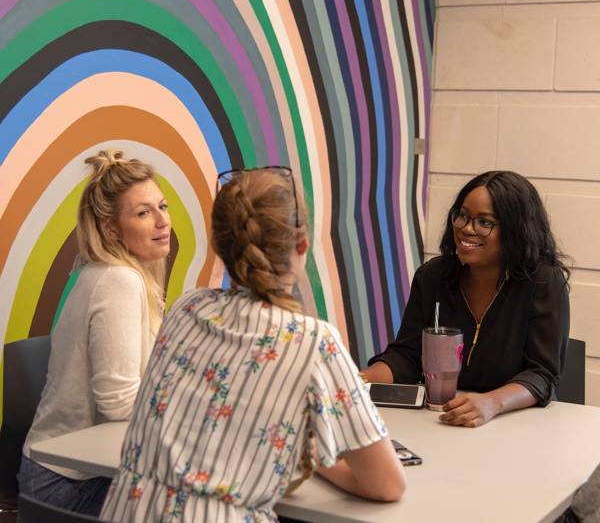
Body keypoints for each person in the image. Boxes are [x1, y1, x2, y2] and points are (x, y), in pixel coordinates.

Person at [100, 166, 406, 523]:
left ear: (218, 244)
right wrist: (310, 458)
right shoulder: (314, 343)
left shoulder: (185, 309)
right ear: (302, 245)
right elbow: (388, 484)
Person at [18, 149, 171, 515]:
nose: (162, 222)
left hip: (75, 470)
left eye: (162, 207)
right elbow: (118, 402)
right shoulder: (119, 280)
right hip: (66, 482)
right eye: (143, 213)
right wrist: (187, 405)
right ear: (111, 229)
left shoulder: (106, 272)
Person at [362, 170, 570, 428]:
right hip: (444, 420)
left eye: (485, 222)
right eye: (462, 216)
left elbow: (542, 375)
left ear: (516, 230)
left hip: (518, 424)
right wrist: (358, 380)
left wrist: (491, 403)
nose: (466, 229)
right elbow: (408, 356)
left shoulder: (543, 282)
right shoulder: (432, 276)